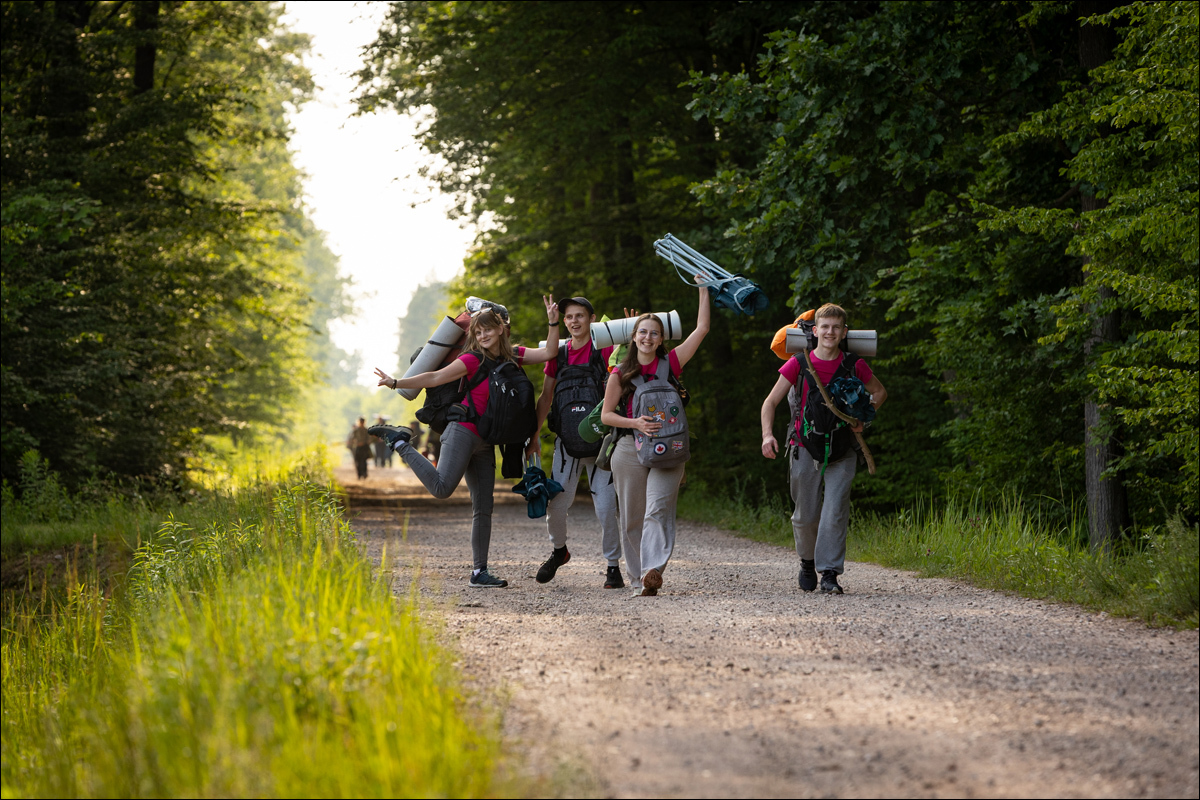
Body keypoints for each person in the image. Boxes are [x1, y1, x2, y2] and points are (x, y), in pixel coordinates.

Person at [369, 296, 561, 588]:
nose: (483, 335)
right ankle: (400, 442)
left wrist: (553, 322)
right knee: (442, 488)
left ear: (500, 329)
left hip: (486, 440)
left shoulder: (514, 355)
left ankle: (479, 572)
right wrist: (396, 382)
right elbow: (434, 377)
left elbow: (549, 352)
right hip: (462, 431)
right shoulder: (471, 359)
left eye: (488, 330)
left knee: (483, 507)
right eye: (478, 332)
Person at [759, 303, 887, 594]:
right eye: (825, 327)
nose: (830, 332)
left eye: (836, 327)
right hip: (803, 446)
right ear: (815, 331)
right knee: (805, 516)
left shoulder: (853, 364)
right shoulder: (798, 364)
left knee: (835, 512)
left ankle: (829, 573)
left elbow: (879, 392)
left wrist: (863, 417)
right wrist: (767, 435)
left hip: (843, 448)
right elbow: (770, 402)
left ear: (844, 332)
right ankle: (807, 561)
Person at [600, 276, 710, 596]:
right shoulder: (620, 373)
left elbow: (702, 329)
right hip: (629, 448)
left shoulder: (671, 363)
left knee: (657, 510)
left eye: (654, 333)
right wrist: (635, 423)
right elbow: (607, 415)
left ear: (662, 338)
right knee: (632, 518)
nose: (648, 337)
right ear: (634, 337)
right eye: (643, 332)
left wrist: (704, 288)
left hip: (670, 447)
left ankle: (652, 571)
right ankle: (638, 580)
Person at [527, 296, 622, 588]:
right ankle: (559, 551)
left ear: (592, 319)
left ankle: (613, 566)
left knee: (605, 508)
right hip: (566, 443)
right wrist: (533, 436)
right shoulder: (557, 353)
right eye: (569, 317)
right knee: (556, 505)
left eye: (580, 315)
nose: (574, 321)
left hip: (601, 442)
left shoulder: (605, 349)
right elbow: (546, 397)